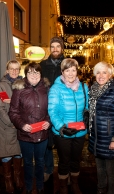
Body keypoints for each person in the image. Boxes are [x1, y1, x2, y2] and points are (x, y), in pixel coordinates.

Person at [8, 62, 51, 194]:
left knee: (40, 161)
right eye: (30, 72)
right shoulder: (18, 90)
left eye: (36, 72)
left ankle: (39, 186)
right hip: (25, 135)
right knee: (26, 162)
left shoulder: (46, 89)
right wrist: (21, 125)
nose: (34, 75)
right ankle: (27, 186)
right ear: (26, 75)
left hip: (42, 133)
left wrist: (48, 121)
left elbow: (51, 109)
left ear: (40, 74)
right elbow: (13, 112)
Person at [48, 58, 88, 194]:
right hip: (63, 132)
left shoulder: (84, 87)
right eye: (67, 70)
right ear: (62, 72)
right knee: (64, 160)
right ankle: (64, 185)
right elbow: (52, 111)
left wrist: (87, 119)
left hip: (80, 132)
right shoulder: (56, 88)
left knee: (76, 160)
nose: (71, 73)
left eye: (73, 70)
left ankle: (75, 183)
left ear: (77, 71)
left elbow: (87, 107)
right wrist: (62, 127)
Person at [88, 61, 114, 194]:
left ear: (110, 74)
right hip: (97, 138)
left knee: (111, 172)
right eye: (98, 72)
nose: (101, 75)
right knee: (99, 169)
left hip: (110, 138)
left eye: (104, 72)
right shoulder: (93, 90)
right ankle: (101, 190)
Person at [0, 60, 23, 193]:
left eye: (17, 69)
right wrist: (12, 122)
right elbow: (0, 109)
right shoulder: (1, 85)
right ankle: (8, 179)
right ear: (7, 70)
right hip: (7, 125)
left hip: (21, 125)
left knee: (19, 153)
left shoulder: (24, 84)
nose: (14, 71)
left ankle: (17, 176)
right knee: (7, 155)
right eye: (11, 69)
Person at [40, 36, 65, 183]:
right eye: (53, 46)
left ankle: (64, 172)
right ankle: (48, 169)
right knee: (46, 143)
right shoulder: (43, 65)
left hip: (63, 108)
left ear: (62, 48)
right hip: (46, 107)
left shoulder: (67, 64)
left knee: (63, 143)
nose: (55, 49)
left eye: (58, 46)